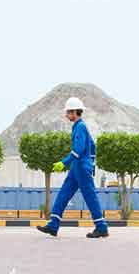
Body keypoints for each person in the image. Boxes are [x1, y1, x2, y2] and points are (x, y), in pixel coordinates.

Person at [37, 97, 109, 239]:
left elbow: (78, 149)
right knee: (63, 194)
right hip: (78, 167)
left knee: (90, 196)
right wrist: (91, 163)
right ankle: (53, 225)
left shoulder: (80, 126)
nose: (66, 115)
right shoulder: (77, 126)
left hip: (81, 168)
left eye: (68, 112)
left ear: (75, 112)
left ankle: (101, 227)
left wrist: (64, 162)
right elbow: (92, 146)